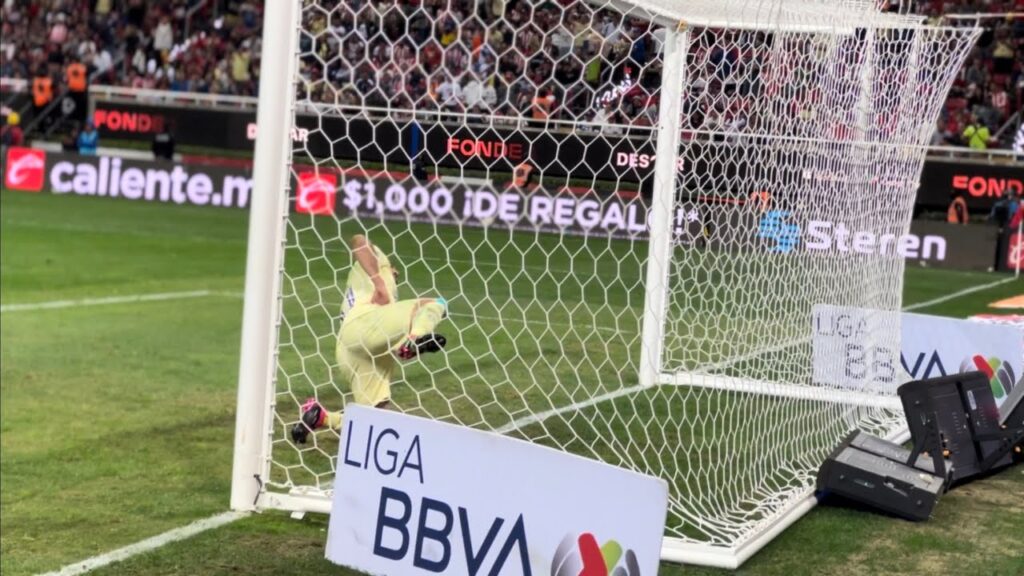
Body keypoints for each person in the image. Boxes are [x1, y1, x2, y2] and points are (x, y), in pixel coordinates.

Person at [291, 234, 448, 443]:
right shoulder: (377, 265)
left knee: (373, 421)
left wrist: (387, 283)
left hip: (350, 349)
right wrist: (380, 283)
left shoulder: (378, 285)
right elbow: (357, 241)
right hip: (363, 325)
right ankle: (414, 339)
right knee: (436, 303)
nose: (395, 272)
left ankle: (321, 418)